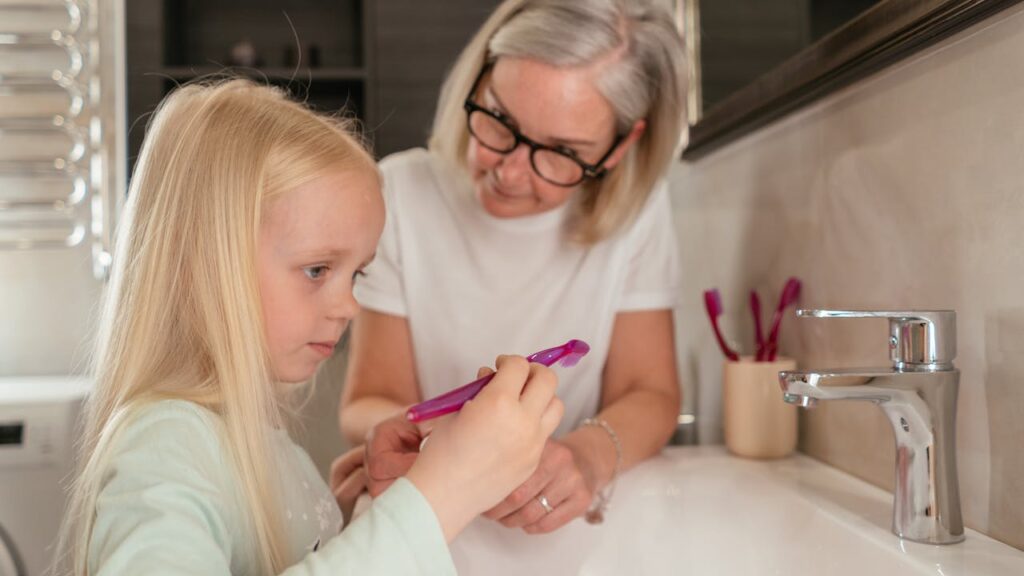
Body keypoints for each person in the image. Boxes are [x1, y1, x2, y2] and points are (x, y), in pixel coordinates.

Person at [55, 79, 563, 576]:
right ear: (204, 262)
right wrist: (445, 492)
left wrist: (354, 514)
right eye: (318, 270)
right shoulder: (165, 443)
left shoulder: (260, 442)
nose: (349, 306)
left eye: (357, 274)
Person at [337, 0, 686, 551]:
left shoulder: (639, 214)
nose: (509, 171)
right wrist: (446, 447)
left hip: (566, 531)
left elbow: (651, 393)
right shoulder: (400, 193)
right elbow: (367, 401)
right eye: (499, 122)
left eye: (561, 152)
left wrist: (587, 458)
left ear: (623, 146)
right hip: (432, 519)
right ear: (478, 81)